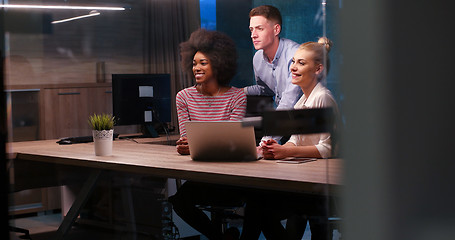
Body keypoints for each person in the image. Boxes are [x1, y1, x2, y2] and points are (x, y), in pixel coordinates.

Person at [241, 37, 338, 240]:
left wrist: (286, 151)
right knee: (256, 206)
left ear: (318, 69)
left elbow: (327, 149)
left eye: (301, 63)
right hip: (304, 182)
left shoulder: (322, 97)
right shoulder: (302, 99)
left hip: (319, 188)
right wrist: (277, 146)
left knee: (258, 209)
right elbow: (296, 139)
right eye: (293, 61)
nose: (293, 67)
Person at [169, 28, 247, 240]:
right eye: (194, 63)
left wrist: (196, 144)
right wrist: (189, 145)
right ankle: (220, 238)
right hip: (203, 175)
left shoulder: (237, 97)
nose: (197, 68)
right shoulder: (183, 97)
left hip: (231, 177)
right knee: (178, 201)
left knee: (257, 202)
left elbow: (232, 141)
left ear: (219, 63)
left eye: (203, 63)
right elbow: (187, 139)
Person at [245, 5, 302, 111]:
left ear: (276, 30)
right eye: (251, 30)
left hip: (303, 121)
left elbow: (288, 104)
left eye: (259, 29)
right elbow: (265, 90)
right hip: (283, 119)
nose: (253, 35)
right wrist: (236, 93)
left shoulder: (295, 56)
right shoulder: (257, 58)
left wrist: (270, 125)